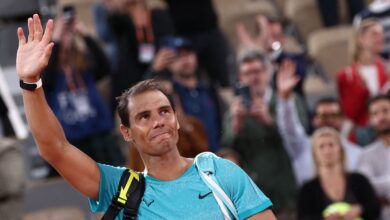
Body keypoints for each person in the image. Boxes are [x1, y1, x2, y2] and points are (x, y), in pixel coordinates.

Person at [15, 14, 276, 219]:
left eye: (164, 111)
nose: (158, 121)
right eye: (144, 116)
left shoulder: (219, 172)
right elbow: (55, 148)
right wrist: (30, 82)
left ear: (175, 119)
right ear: (126, 132)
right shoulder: (120, 188)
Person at [221, 49, 305, 218]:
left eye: (258, 71)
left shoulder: (287, 100)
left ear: (268, 73)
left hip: (286, 192)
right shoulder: (234, 111)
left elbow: (299, 142)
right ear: (240, 78)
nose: (253, 77)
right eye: (247, 73)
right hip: (253, 197)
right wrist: (236, 125)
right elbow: (227, 152)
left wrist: (269, 121)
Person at [42, 8, 124, 168]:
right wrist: (56, 40)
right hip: (71, 138)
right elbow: (46, 81)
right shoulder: (48, 69)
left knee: (116, 176)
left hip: (99, 131)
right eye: (62, 33)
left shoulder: (84, 61)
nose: (67, 37)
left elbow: (106, 67)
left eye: (68, 32)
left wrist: (85, 34)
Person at [298, 127, 381, 220]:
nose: (327, 151)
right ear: (315, 154)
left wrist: (360, 209)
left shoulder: (359, 180)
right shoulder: (308, 189)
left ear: (341, 150)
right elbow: (303, 217)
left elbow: (375, 208)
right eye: (321, 146)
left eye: (331, 145)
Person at [278, 97, 364, 186]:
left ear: (343, 119)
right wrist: (285, 99)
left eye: (334, 115)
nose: (329, 120)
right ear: (314, 120)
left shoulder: (358, 153)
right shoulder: (301, 146)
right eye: (323, 116)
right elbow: (289, 128)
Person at [337, 19, 388, 128]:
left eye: (381, 33)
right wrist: (363, 91)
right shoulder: (346, 75)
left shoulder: (386, 69)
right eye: (374, 34)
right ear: (360, 39)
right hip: (364, 132)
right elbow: (351, 113)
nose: (380, 38)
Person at [357, 94, 390, 220]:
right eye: (375, 114)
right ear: (370, 120)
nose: (381, 117)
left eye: (385, 111)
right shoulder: (366, 155)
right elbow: (367, 187)